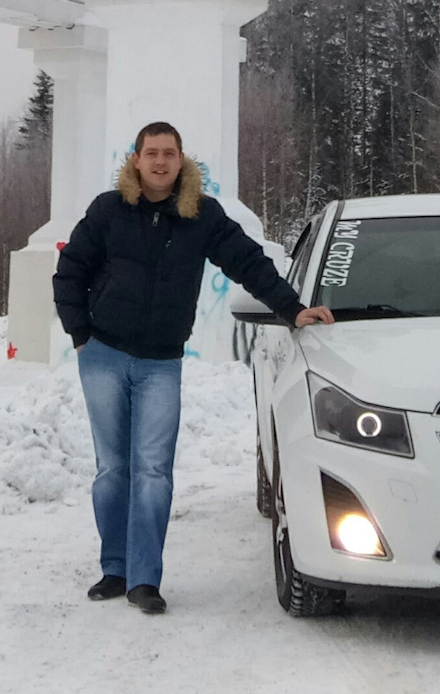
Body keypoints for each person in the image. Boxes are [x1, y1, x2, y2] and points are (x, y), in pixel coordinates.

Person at [54, 120, 332, 614]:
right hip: (103, 354)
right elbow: (70, 269)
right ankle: (114, 568)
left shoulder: (201, 214)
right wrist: (80, 335)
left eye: (169, 153)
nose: (160, 161)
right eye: (151, 152)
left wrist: (292, 309)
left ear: (181, 161)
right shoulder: (108, 210)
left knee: (154, 470)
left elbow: (247, 262)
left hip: (161, 361)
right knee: (112, 469)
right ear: (135, 160)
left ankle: (145, 580)